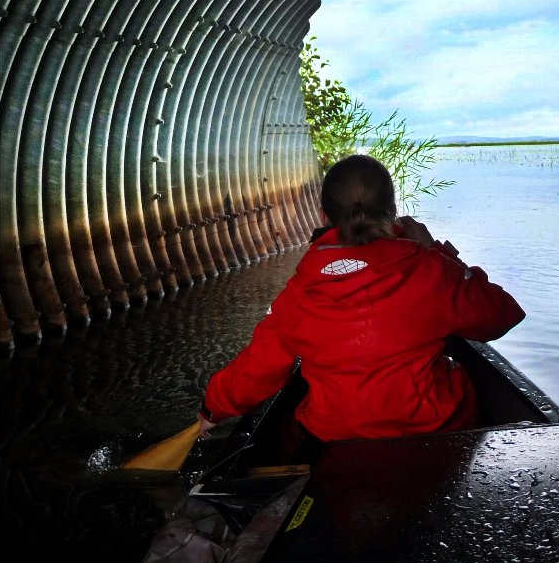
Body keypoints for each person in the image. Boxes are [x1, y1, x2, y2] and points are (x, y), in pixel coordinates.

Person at [197, 154, 525, 443]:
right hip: (429, 431)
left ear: (325, 216)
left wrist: (213, 407)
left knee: (298, 421)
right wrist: (436, 251)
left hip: (335, 436)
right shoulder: (429, 269)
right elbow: (502, 315)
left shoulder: (300, 291)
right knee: (464, 382)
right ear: (393, 211)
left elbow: (259, 367)